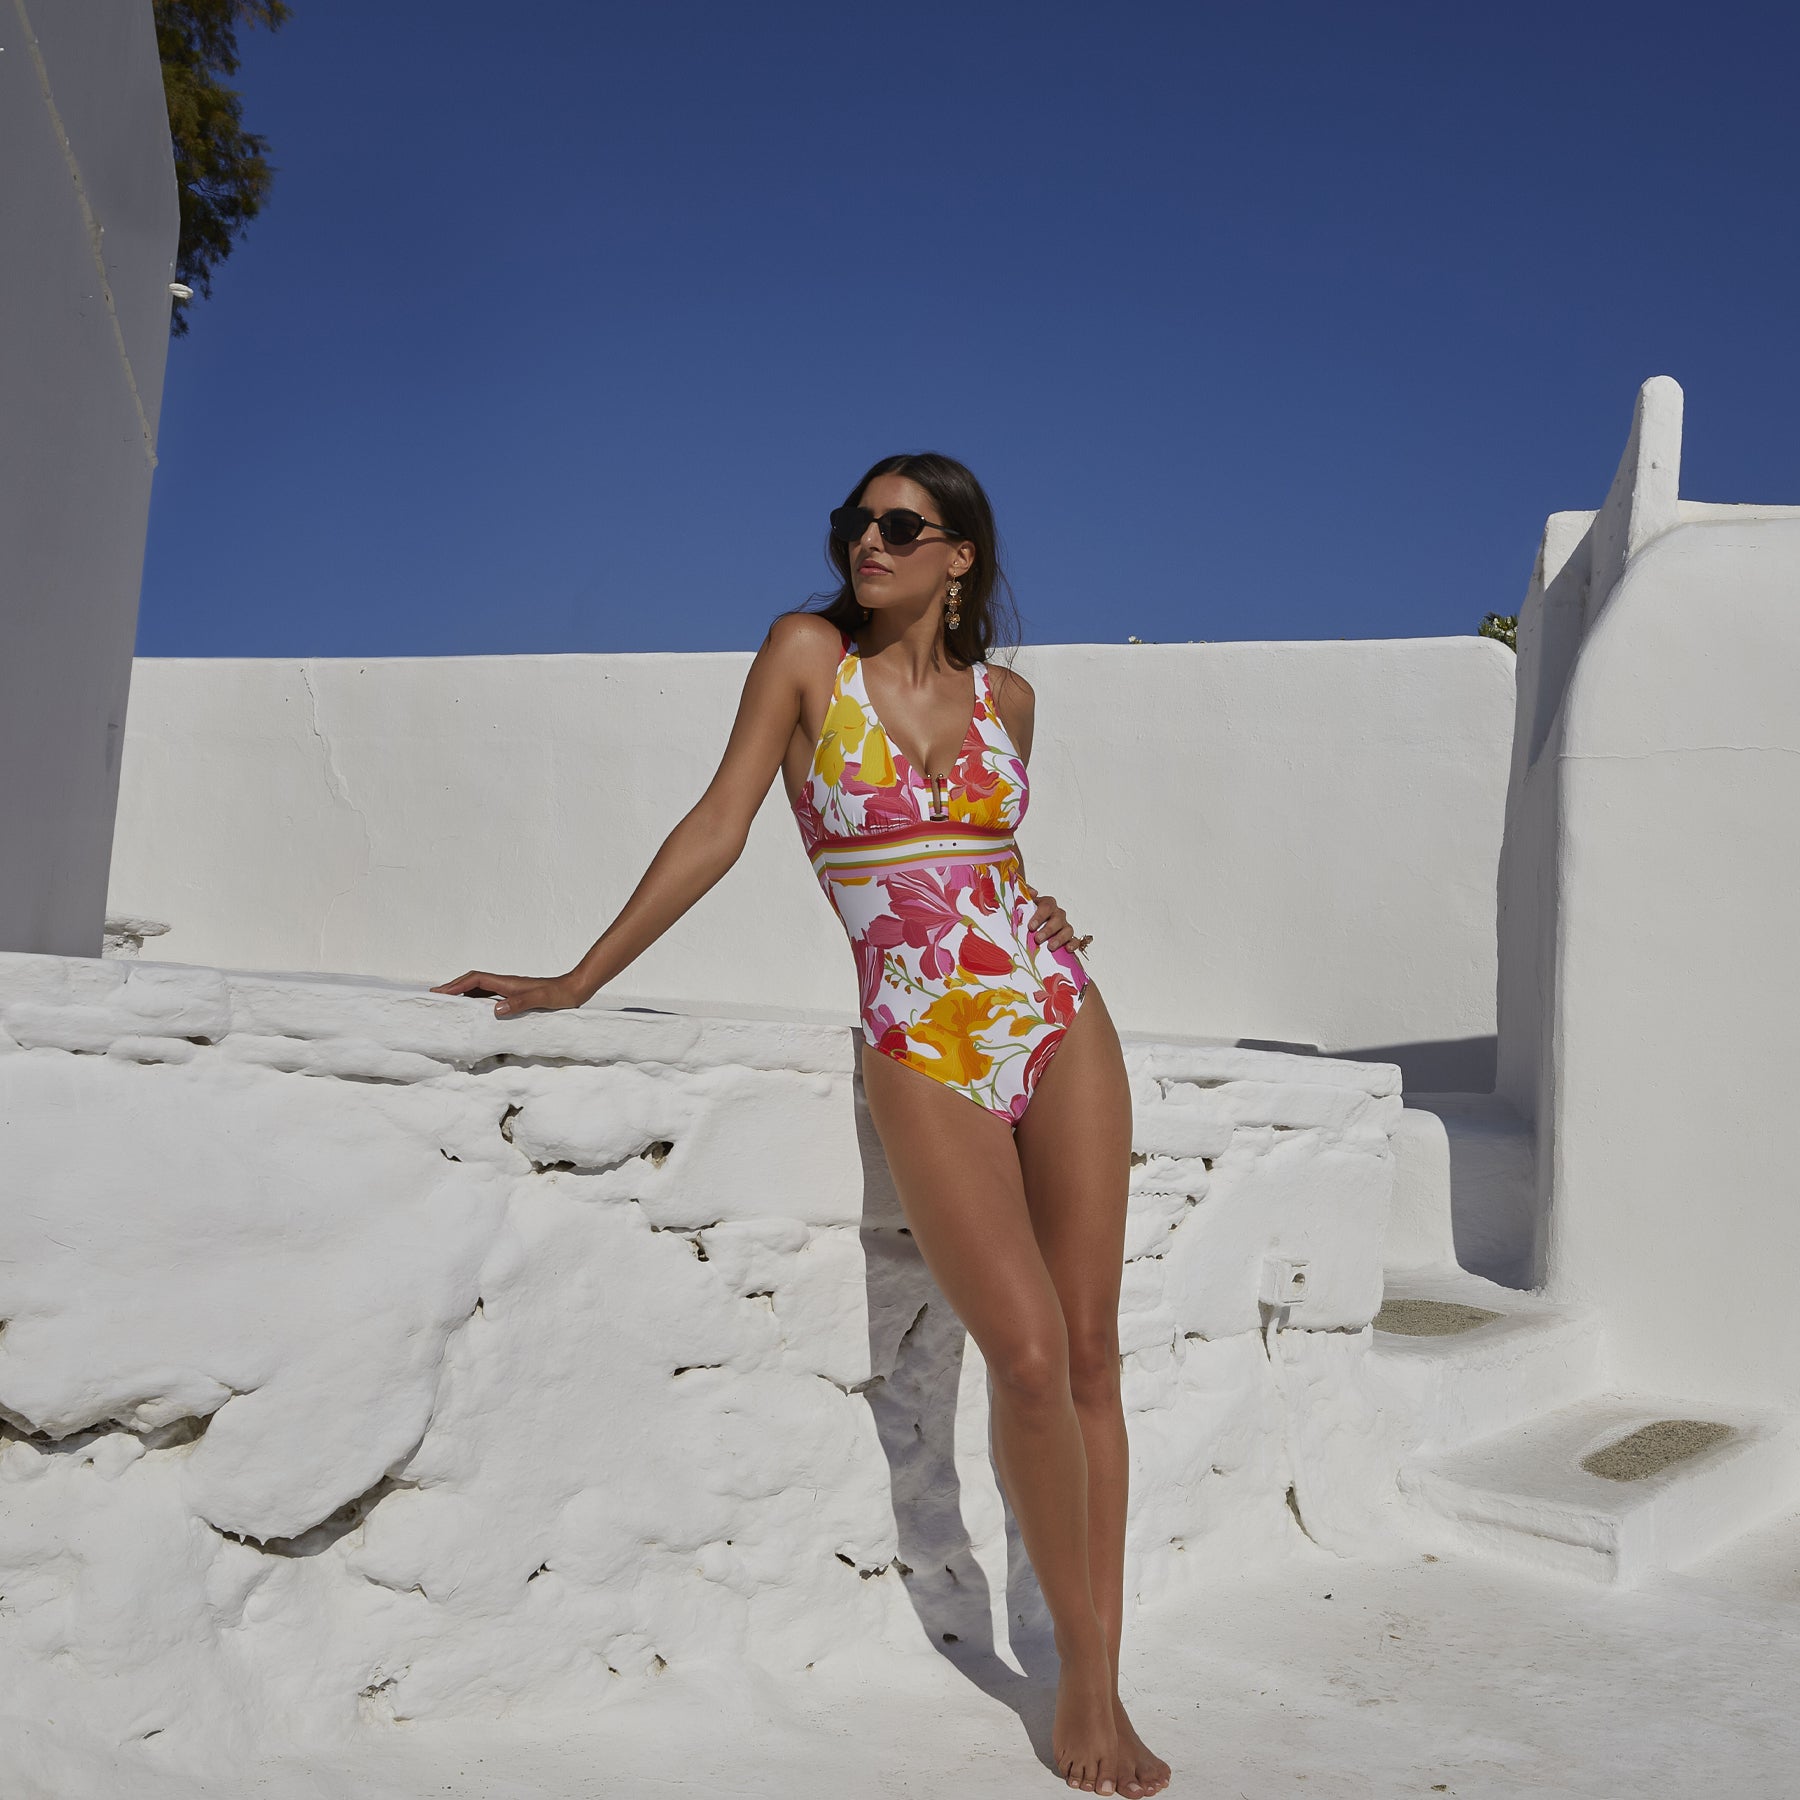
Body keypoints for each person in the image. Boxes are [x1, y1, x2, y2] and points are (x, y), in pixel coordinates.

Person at [433, 452, 1171, 1798]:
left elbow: (983, 862)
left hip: (1058, 1014)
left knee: (1093, 1356)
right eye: (854, 523)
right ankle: (1076, 1677)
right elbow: (722, 823)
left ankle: (1102, 1685)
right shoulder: (804, 657)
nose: (866, 543)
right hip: (919, 1034)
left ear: (959, 559)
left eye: (900, 527)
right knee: (1019, 1352)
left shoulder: (1009, 698)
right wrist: (578, 978)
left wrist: (1043, 913)